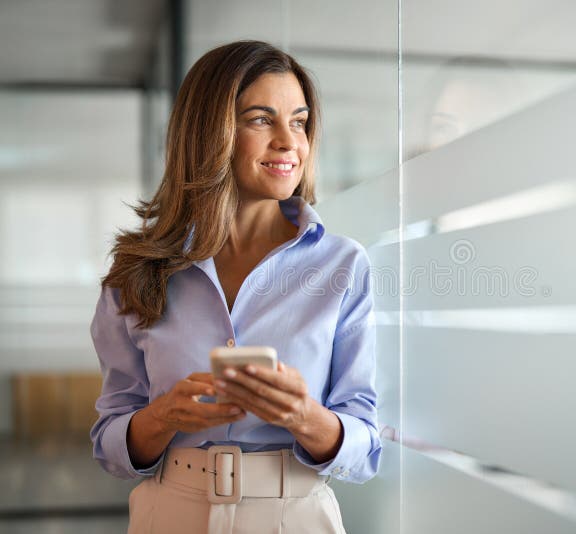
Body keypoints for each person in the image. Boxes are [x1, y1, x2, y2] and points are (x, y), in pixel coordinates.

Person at [89, 40, 381, 534]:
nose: (289, 142)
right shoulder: (138, 270)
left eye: (300, 121)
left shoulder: (343, 264)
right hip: (171, 512)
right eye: (261, 119)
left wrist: (303, 415)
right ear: (211, 133)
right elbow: (110, 446)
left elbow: (367, 445)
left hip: (297, 514)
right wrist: (162, 417)